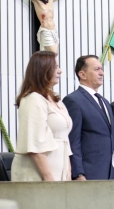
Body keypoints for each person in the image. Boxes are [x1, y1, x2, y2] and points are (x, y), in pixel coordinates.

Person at [12, 51, 72, 181]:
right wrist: (49, 180)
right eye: (55, 67)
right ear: (42, 70)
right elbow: (35, 146)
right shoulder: (33, 99)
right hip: (38, 176)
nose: (60, 70)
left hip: (59, 173)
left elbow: (64, 141)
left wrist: (67, 173)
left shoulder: (56, 100)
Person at [63, 55, 114, 180]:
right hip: (89, 173)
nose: (102, 73)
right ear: (82, 74)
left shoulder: (105, 102)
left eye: (102, 69)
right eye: (97, 69)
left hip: (109, 174)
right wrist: (78, 173)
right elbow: (73, 141)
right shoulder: (73, 100)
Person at [3, 0, 75, 55]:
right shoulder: (36, 1)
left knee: (48, 56)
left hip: (54, 31)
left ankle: (45, 68)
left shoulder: (51, 0)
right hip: (45, 31)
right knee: (54, 53)